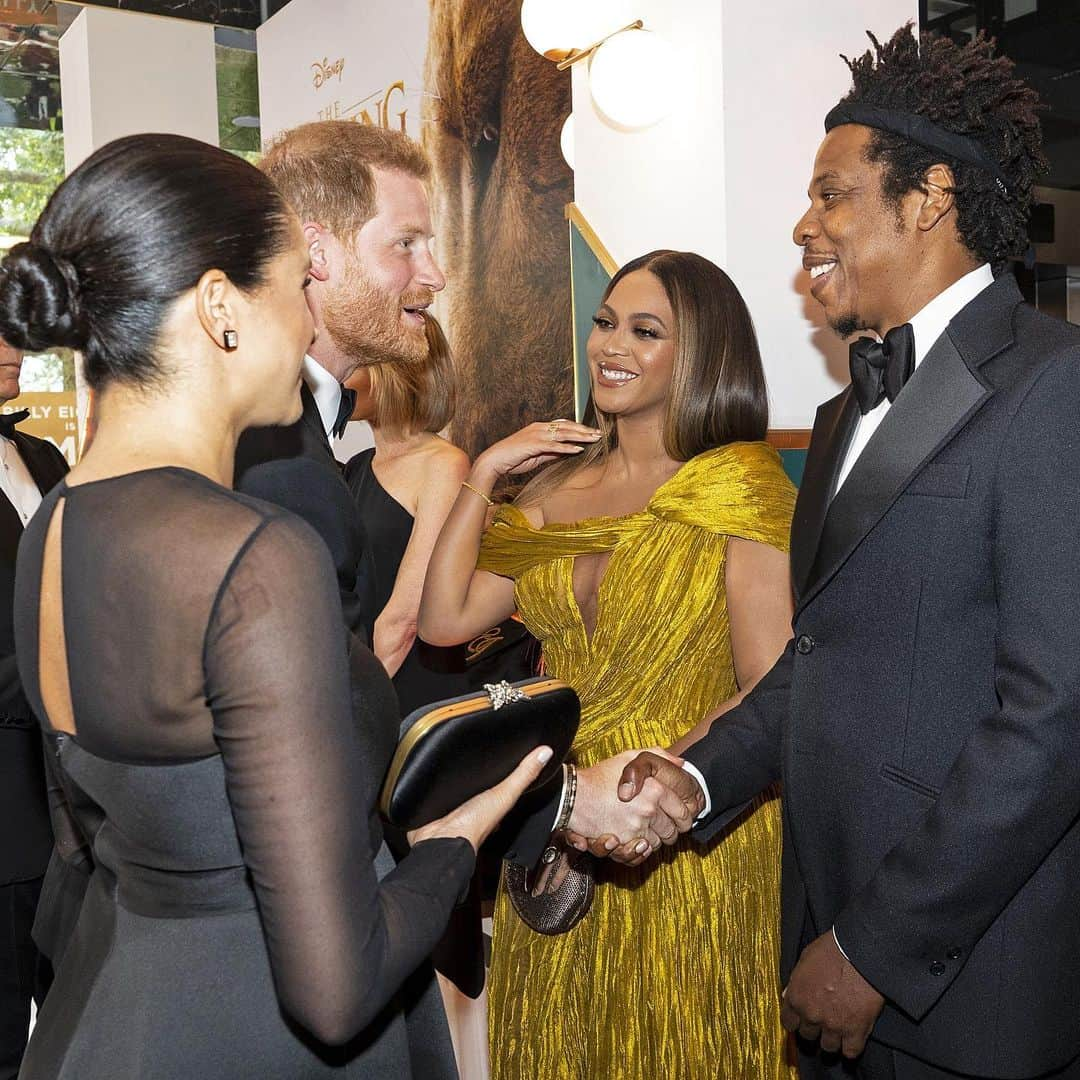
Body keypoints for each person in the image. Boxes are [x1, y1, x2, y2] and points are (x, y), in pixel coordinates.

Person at [0, 131, 557, 1080]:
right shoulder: (255, 557)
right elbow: (334, 990)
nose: (308, 326)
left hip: (122, 1012)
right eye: (297, 286)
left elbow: (96, 825)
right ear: (222, 308)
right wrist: (449, 847)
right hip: (256, 1032)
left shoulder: (54, 523)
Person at [612, 25, 1080, 1080]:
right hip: (823, 940)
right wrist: (694, 780)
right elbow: (819, 661)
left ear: (928, 200)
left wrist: (878, 945)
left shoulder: (1055, 388)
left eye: (832, 194)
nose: (803, 223)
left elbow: (1054, 719)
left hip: (960, 987)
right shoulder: (835, 419)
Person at [420, 250, 798, 1079]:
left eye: (644, 329)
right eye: (604, 322)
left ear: (699, 353)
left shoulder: (739, 485)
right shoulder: (556, 487)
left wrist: (666, 787)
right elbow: (445, 620)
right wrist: (485, 472)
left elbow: (771, 685)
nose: (610, 344)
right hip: (564, 825)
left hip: (688, 829)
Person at [234, 121, 446, 645]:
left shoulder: (289, 416)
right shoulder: (269, 452)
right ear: (318, 254)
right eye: (405, 244)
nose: (435, 275)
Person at [343, 313, 471, 712]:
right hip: (363, 678)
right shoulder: (356, 466)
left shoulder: (444, 464)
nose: (340, 376)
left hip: (406, 692)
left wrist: (351, 712)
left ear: (394, 371)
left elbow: (405, 620)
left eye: (355, 362)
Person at [0, 339, 66, 1080]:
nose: (12, 348)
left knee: (75, 1030)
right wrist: (68, 666)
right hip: (5, 817)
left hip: (76, 816)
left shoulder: (46, 458)